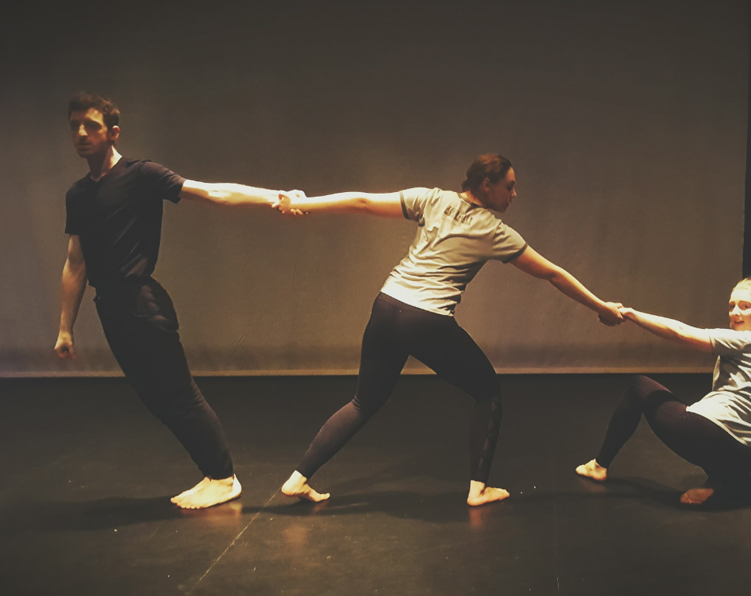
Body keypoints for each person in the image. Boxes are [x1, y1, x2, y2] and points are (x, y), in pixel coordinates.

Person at [275, 154, 624, 506]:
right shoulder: (493, 231)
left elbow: (363, 202)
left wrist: (304, 204)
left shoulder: (431, 198)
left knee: (363, 402)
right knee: (487, 392)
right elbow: (552, 273)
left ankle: (297, 479)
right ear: (486, 185)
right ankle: (479, 489)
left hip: (387, 306)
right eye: (510, 186)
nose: (514, 195)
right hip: (425, 319)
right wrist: (602, 308)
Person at [55, 92, 302, 509]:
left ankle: (223, 478)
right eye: (75, 125)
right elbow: (75, 262)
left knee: (178, 394)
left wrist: (273, 196)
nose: (81, 133)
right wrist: (65, 327)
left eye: (91, 126)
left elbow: (213, 193)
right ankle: (214, 473)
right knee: (157, 399)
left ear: (113, 133)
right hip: (111, 309)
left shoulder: (141, 175)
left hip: (143, 303)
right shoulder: (78, 195)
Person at [576, 278, 751, 505]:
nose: (735, 313)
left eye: (745, 306)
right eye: (732, 306)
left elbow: (681, 332)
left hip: (712, 437)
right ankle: (722, 485)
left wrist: (630, 314)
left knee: (638, 386)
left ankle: (599, 465)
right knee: (724, 463)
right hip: (746, 458)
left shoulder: (748, 340)